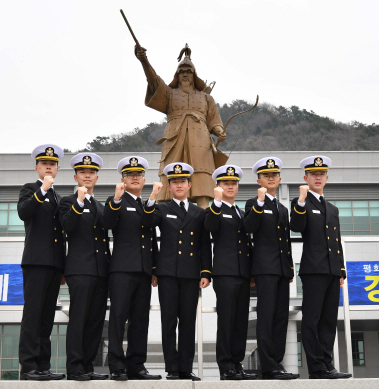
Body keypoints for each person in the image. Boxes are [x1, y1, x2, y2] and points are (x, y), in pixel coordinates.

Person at [142, 162, 212, 381]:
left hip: (191, 274)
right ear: (169, 186)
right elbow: (146, 224)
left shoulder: (199, 212)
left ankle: (185, 368)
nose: (179, 185)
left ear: (189, 184)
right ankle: (172, 368)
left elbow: (204, 244)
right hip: (168, 273)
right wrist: (152, 198)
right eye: (174, 182)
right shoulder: (161, 208)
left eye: (183, 181)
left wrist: (206, 271)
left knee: (188, 322)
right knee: (169, 321)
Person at [135, 44, 226, 208]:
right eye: (182, 72)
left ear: (194, 75)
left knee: (202, 183)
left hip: (201, 142)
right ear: (177, 75)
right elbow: (153, 81)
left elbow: (214, 121)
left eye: (188, 72)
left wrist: (219, 132)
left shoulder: (206, 98)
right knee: (172, 177)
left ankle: (203, 221)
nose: (185, 75)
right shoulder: (169, 94)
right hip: (174, 140)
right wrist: (144, 61)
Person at [290, 156, 352, 380]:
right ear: (305, 177)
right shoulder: (302, 203)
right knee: (312, 319)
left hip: (332, 271)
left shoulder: (332, 208)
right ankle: (316, 367)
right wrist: (301, 200)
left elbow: (336, 241)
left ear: (326, 177)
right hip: (313, 270)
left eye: (321, 174)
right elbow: (296, 227)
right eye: (313, 174)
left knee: (328, 320)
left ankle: (328, 364)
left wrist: (341, 270)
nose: (318, 177)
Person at [102, 156, 161, 381]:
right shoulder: (115, 200)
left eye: (138, 175)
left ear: (144, 179)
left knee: (140, 320)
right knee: (118, 317)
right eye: (129, 175)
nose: (134, 178)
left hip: (144, 271)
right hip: (122, 270)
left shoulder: (147, 205)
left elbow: (151, 235)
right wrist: (116, 200)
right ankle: (117, 365)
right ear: (122, 179)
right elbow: (107, 223)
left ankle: (136, 365)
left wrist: (154, 267)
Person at [243, 157, 299, 380]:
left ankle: (277, 363)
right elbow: (248, 227)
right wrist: (259, 203)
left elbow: (285, 240)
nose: (271, 178)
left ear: (280, 179)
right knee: (266, 318)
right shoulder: (252, 203)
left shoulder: (283, 208)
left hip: (281, 270)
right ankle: (268, 365)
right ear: (259, 180)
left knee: (280, 318)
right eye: (266, 175)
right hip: (264, 269)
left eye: (274, 175)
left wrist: (290, 269)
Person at [58, 153, 109, 381]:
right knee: (78, 319)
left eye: (91, 172)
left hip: (101, 270)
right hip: (80, 269)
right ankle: (75, 368)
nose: (87, 176)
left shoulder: (100, 205)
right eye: (83, 172)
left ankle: (88, 365)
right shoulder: (68, 201)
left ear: (96, 177)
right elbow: (68, 226)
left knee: (95, 321)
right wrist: (79, 202)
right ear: (76, 176)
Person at [18, 144, 66, 381]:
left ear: (57, 168)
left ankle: (43, 366)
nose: (49, 167)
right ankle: (28, 367)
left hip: (54, 264)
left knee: (47, 317)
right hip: (36, 262)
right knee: (33, 315)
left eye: (53, 164)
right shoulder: (30, 189)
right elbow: (24, 212)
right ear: (37, 167)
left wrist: (63, 267)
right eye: (45, 164)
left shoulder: (57, 196)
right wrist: (42, 190)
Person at [204, 165, 256, 381]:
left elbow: (248, 244)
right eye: (226, 183)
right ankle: (225, 366)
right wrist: (215, 202)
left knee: (240, 322)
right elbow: (210, 226)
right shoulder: (214, 209)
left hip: (243, 274)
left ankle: (237, 363)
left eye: (234, 183)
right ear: (218, 186)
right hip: (225, 274)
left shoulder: (241, 212)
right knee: (226, 321)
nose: (231, 186)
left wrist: (251, 271)